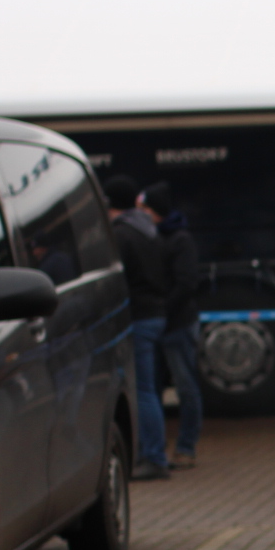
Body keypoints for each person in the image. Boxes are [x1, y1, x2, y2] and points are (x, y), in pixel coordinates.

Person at [106, 175, 172, 481]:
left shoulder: (121, 235)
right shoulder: (149, 232)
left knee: (142, 390)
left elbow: (117, 282)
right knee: (150, 389)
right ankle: (152, 452)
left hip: (139, 316)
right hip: (156, 313)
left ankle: (154, 457)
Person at [142, 183, 202, 469]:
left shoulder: (179, 240)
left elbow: (187, 283)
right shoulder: (155, 238)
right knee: (151, 388)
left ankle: (186, 446)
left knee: (185, 386)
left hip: (176, 324)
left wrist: (162, 311)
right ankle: (156, 447)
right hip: (163, 323)